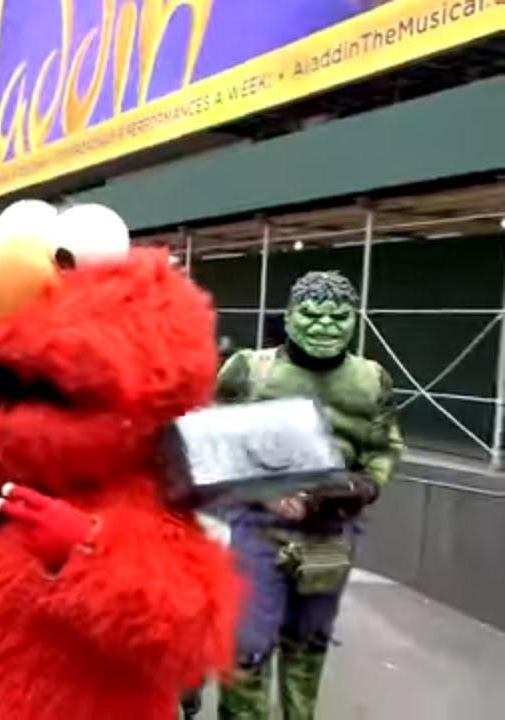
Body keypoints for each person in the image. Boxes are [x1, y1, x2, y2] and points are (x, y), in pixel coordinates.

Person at [215, 271, 404, 720]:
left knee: (308, 646)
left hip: (329, 534)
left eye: (338, 317)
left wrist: (364, 485)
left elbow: (385, 448)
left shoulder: (372, 379)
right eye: (313, 315)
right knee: (246, 649)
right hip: (257, 529)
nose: (325, 326)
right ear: (290, 316)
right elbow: (210, 437)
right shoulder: (248, 369)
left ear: (355, 319)